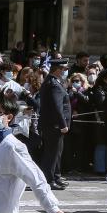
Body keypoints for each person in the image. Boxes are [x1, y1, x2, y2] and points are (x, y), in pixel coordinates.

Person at [38, 58, 72, 190]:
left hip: (53, 125)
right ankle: (49, 179)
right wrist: (62, 124)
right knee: (51, 153)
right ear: (58, 70)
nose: (65, 72)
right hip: (54, 125)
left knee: (57, 153)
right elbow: (57, 107)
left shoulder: (55, 82)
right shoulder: (53, 84)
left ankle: (56, 176)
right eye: (64, 69)